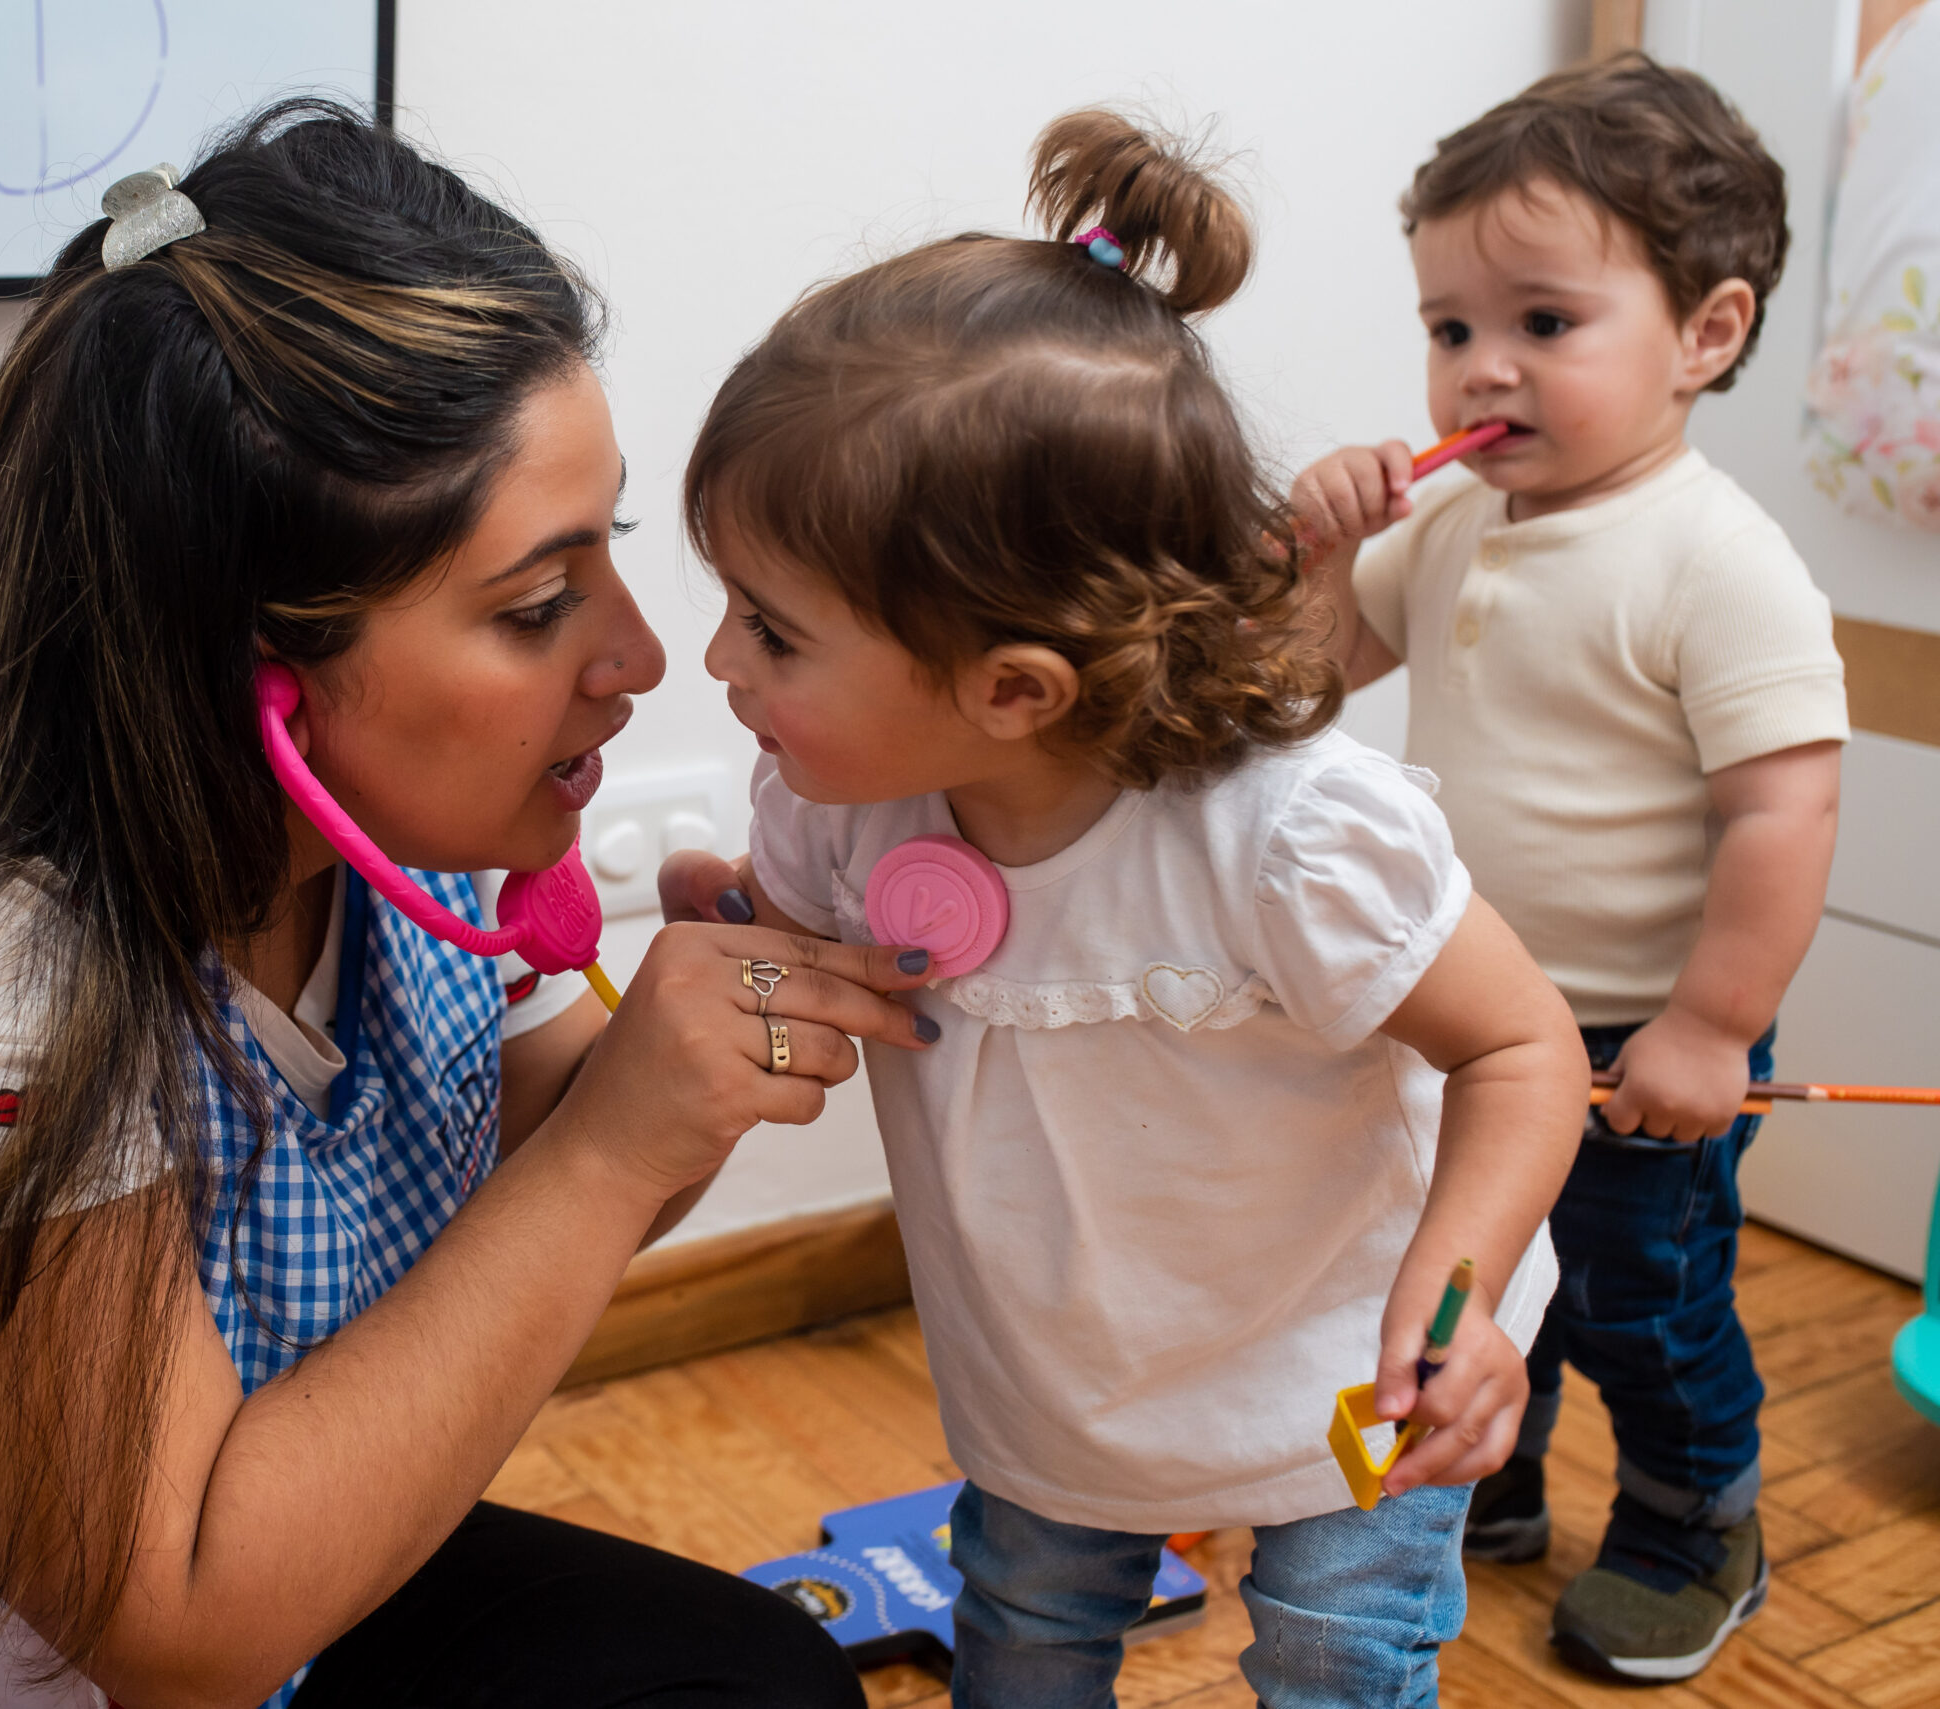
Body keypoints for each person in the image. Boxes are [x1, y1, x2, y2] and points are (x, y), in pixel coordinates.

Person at [0, 100, 935, 1709]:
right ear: (251, 669)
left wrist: (678, 1073)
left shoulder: (407, 820)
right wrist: (622, 1145)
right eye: (538, 605)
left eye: (601, 552)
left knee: (751, 1687)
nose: (636, 657)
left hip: (124, 1559)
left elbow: (539, 1169)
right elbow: (186, 1627)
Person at [658, 109, 1587, 1709]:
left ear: (1011, 687)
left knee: (1337, 1658)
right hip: (1060, 1374)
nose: (717, 666)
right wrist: (753, 939)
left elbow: (1522, 1047)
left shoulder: (1289, 838)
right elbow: (828, 970)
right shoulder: (835, 805)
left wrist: (1455, 1306)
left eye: (770, 628)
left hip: (1341, 1351)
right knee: (1020, 1633)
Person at [1292, 55, 1848, 1683]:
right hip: (1468, 1008)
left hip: (1637, 1033)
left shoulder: (1716, 559)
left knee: (1639, 1303)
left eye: (1545, 324)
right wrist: (1327, 553)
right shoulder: (1455, 521)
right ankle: (1502, 1469)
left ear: (1707, 334)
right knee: (1466, 1256)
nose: (1483, 372)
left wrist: (1709, 1023)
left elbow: (1783, 815)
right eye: (1451, 325)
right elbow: (1311, 673)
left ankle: (1694, 1516)